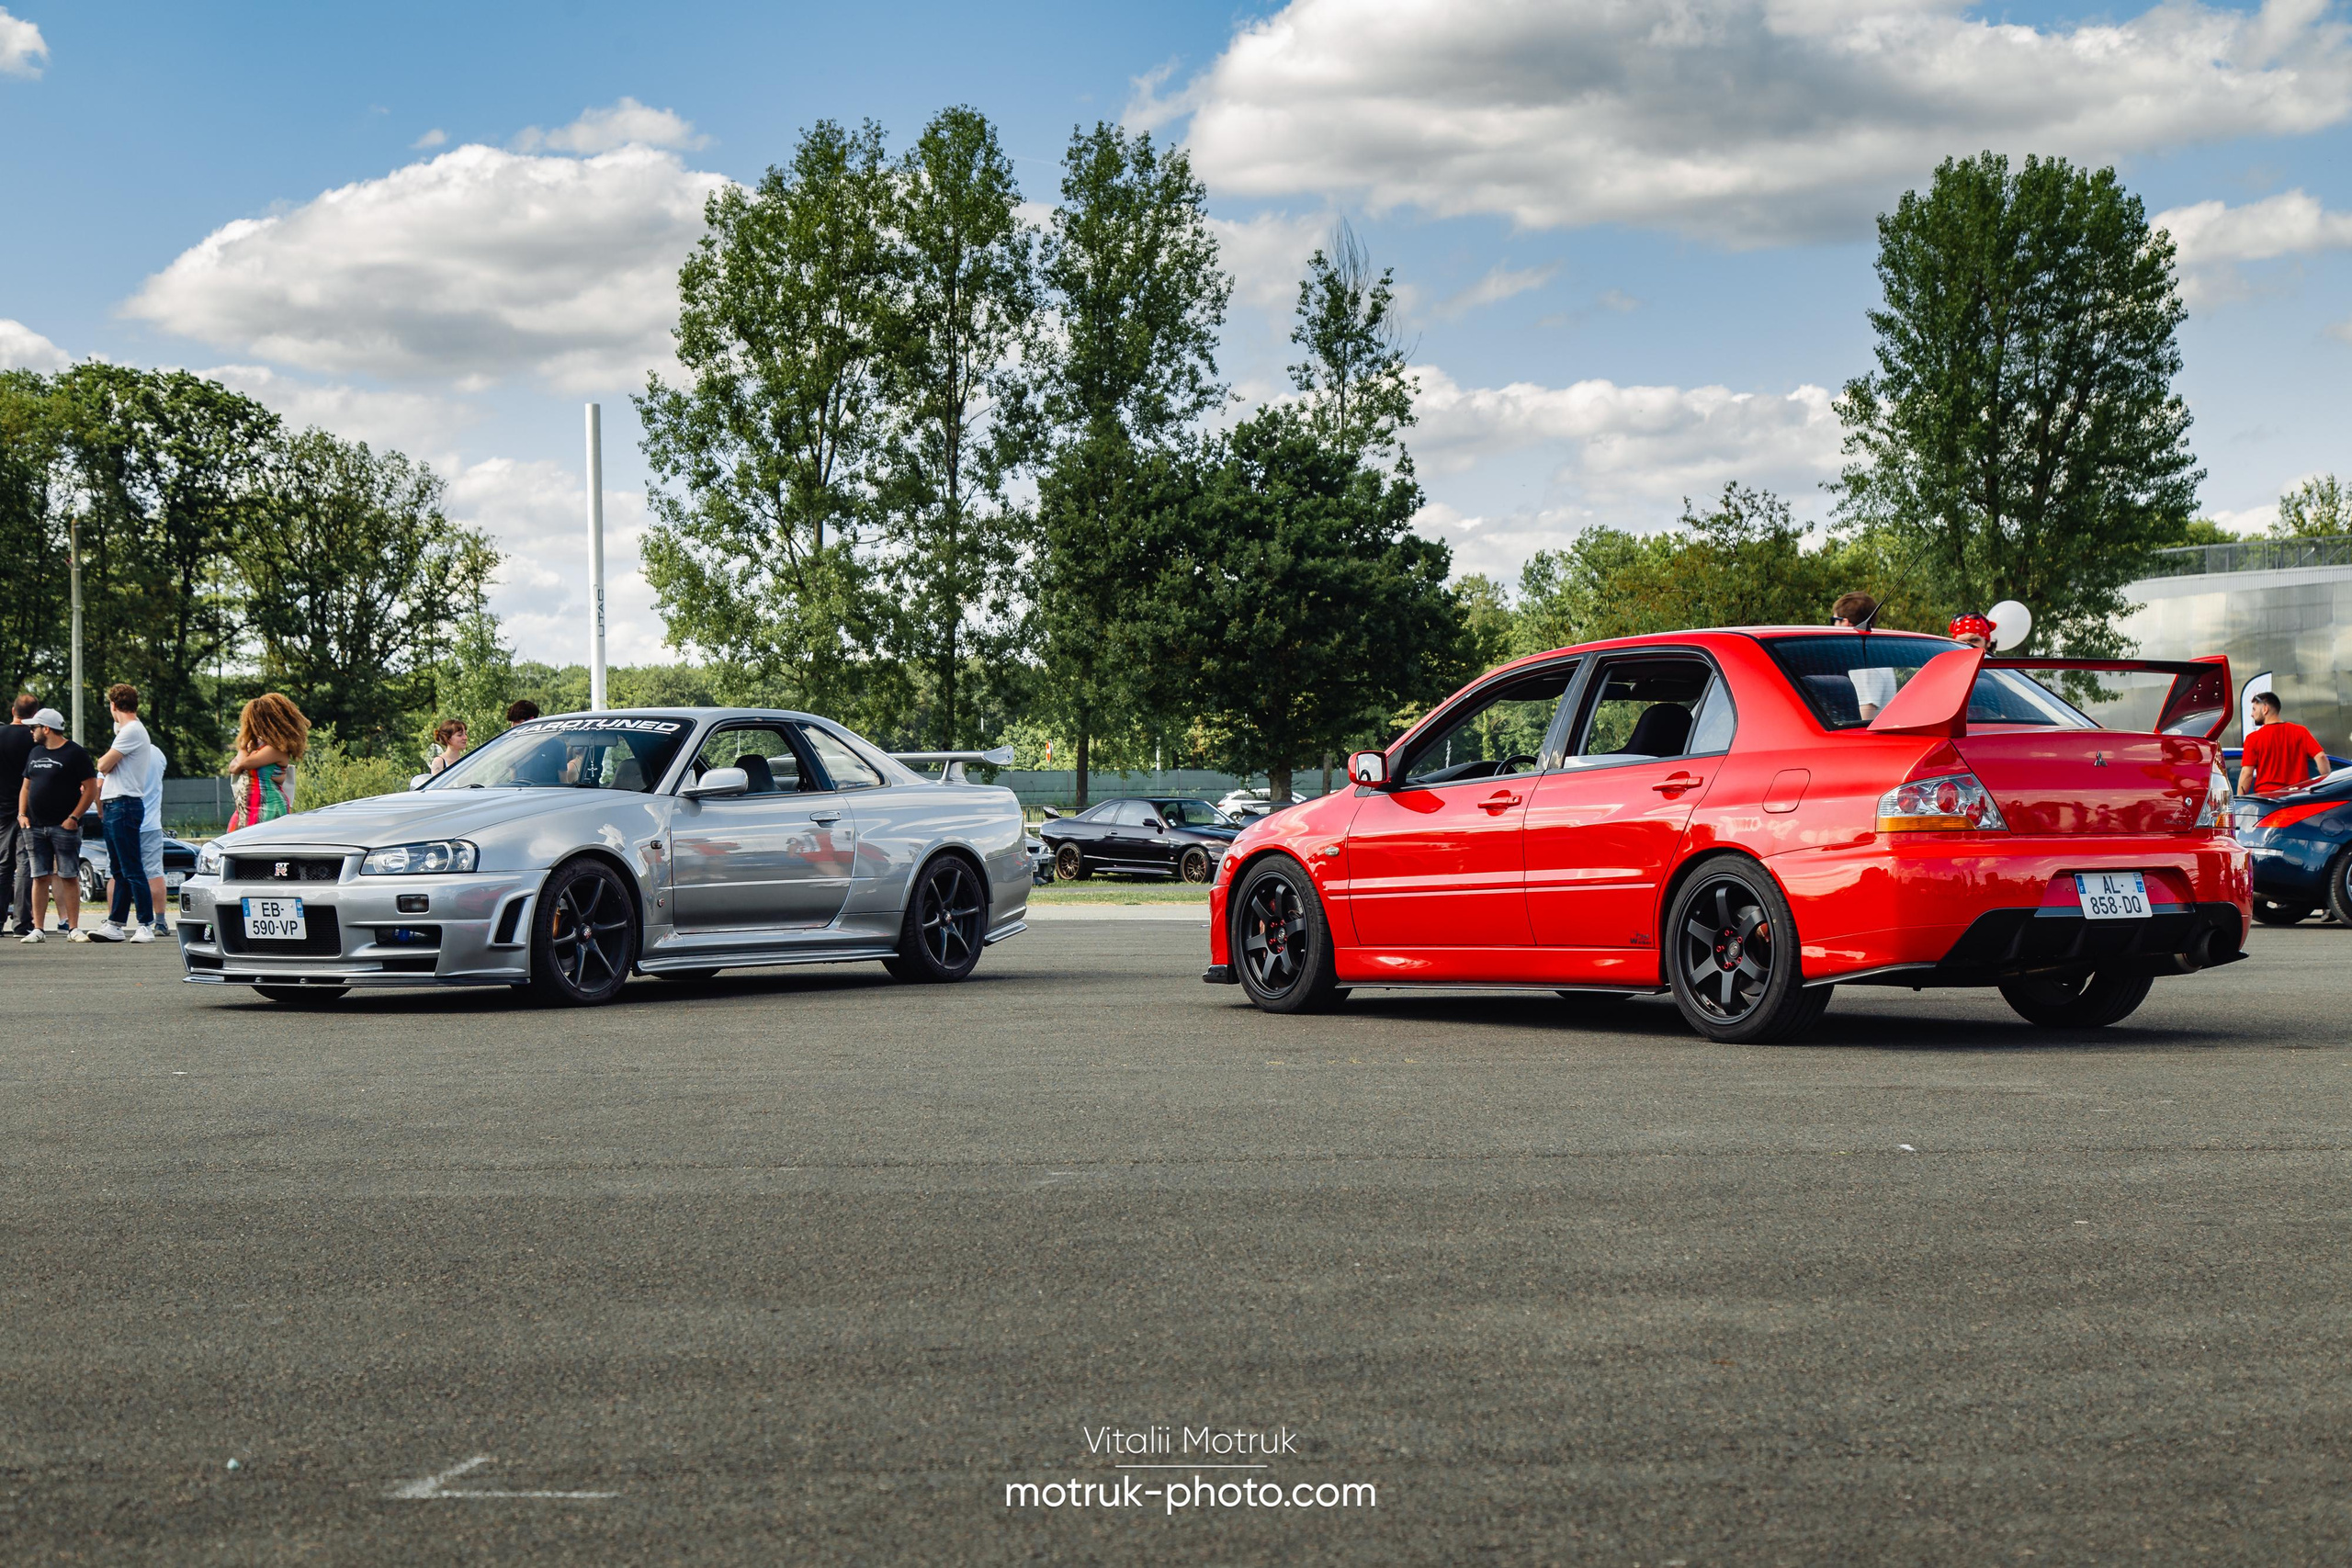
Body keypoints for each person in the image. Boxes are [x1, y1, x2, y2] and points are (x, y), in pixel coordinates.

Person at [17, 707, 96, 942]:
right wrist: (22, 814)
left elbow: (91, 788)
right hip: (34, 827)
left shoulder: (75, 753)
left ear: (47, 729)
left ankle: (73, 929)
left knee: (69, 876)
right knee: (39, 876)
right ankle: (38, 929)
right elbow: (26, 787)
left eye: (34, 727)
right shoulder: (34, 752)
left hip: (64, 827)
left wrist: (74, 818)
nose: (31, 731)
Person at [88, 683, 157, 942]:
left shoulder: (131, 731)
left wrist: (104, 764)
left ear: (113, 705)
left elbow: (103, 764)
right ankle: (116, 923)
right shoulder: (127, 731)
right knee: (118, 868)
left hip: (124, 804)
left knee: (131, 867)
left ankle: (145, 924)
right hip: (116, 804)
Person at [226, 693, 309, 829]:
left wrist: (243, 744)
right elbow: (233, 768)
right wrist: (246, 747)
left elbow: (242, 763)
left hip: (268, 807)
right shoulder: (254, 747)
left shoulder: (276, 749)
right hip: (244, 808)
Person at [2238, 691, 2331, 797]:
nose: (2251, 714)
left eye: (2254, 709)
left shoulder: (2253, 739)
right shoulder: (2300, 732)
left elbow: (2247, 773)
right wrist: (2326, 783)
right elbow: (2321, 756)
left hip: (2268, 800)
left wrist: (2240, 801)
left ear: (2265, 709)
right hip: (2298, 797)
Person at [0, 694, 36, 935]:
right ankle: (22, 924)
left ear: (13, 711)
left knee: (2, 864)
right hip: (30, 810)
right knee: (25, 865)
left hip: (1, 809)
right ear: (35, 714)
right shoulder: (37, 738)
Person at [1831, 592, 1896, 720]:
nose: (1832, 625)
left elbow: (1863, 721)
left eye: (1834, 620)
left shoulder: (1863, 664)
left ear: (1845, 623)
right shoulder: (1874, 656)